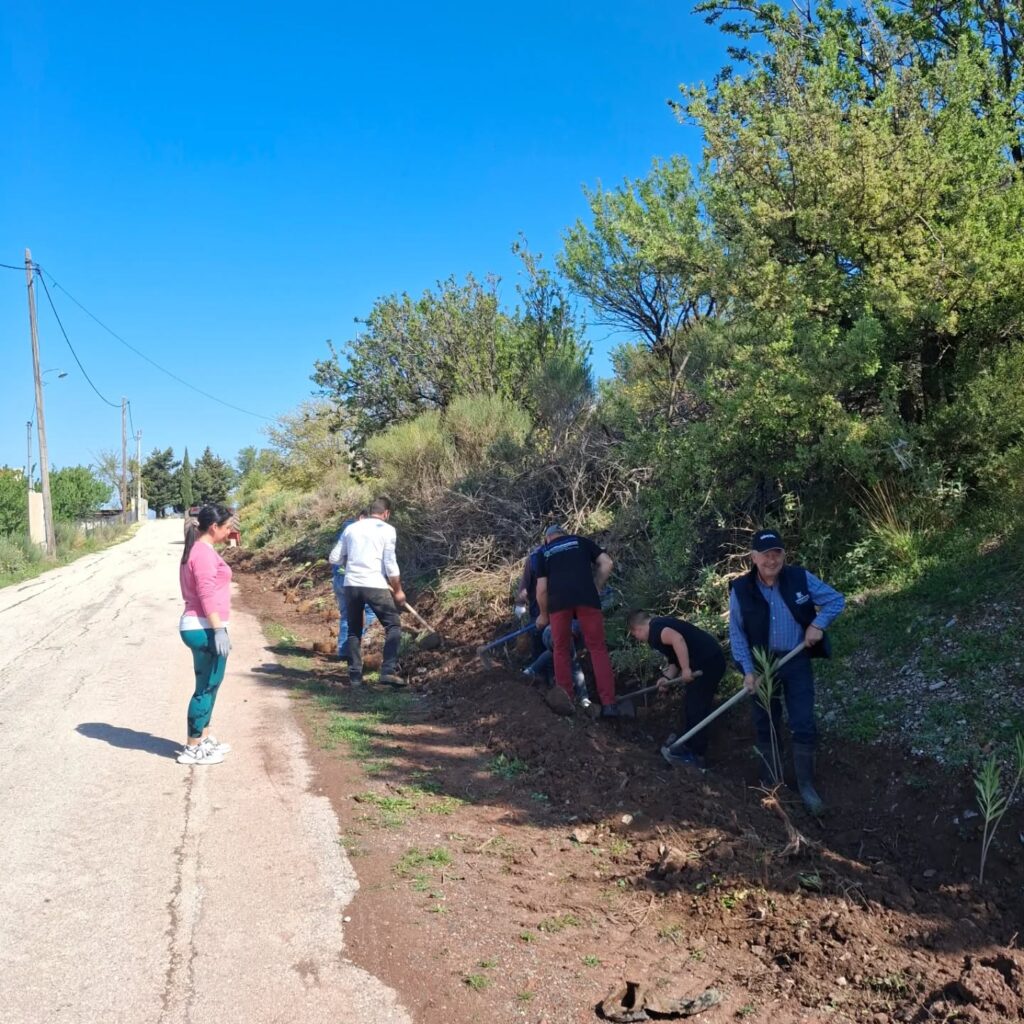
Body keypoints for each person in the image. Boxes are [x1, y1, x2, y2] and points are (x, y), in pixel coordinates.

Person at [728, 528, 845, 813]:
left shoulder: (799, 578)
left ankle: (806, 785)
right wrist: (747, 670)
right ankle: (772, 782)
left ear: (783, 555)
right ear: (754, 557)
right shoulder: (741, 590)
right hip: (761, 663)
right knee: (766, 720)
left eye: (777, 553)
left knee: (803, 721)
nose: (772, 560)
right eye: (765, 554)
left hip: (796, 659)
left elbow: (836, 600)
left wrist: (817, 625)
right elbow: (738, 633)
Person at [535, 524, 620, 717]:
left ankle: (566, 702)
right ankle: (609, 704)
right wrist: (597, 586)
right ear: (563, 534)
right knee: (597, 648)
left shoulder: (544, 552)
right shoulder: (580, 541)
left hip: (559, 603)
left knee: (561, 649)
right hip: (587, 599)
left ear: (548, 538)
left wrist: (542, 615)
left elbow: (541, 589)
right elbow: (607, 563)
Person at [627, 610, 726, 770]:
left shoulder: (656, 629)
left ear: (637, 629)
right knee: (692, 706)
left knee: (697, 707)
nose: (638, 639)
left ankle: (696, 755)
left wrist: (686, 668)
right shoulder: (659, 627)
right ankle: (688, 746)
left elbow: (677, 639)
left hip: (708, 662)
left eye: (635, 635)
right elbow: (674, 660)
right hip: (706, 661)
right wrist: (666, 678)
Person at [177, 503, 236, 766]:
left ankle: (204, 738)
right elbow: (205, 593)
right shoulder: (202, 553)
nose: (231, 531)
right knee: (205, 688)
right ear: (214, 527)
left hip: (205, 625)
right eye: (228, 527)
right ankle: (192, 747)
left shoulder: (203, 550)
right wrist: (218, 629)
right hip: (203, 627)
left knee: (212, 685)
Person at [333, 495, 406, 688]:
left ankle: (355, 676)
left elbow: (334, 558)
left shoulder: (351, 528)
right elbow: (390, 564)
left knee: (354, 629)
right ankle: (388, 671)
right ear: (386, 513)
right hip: (375, 584)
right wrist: (398, 591)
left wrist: (349, 561)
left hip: (351, 585)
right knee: (393, 626)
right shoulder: (388, 530)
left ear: (370, 511)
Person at [329, 510, 377, 660]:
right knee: (370, 611)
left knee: (347, 615)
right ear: (362, 518)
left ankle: (344, 652)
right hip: (355, 580)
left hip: (339, 579)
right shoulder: (359, 533)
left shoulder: (345, 531)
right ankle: (361, 650)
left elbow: (335, 557)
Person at [523, 620, 590, 706]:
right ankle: (584, 699)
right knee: (575, 666)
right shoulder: (584, 631)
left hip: (548, 633)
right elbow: (578, 653)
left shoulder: (578, 622)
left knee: (553, 653)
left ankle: (532, 672)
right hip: (560, 635)